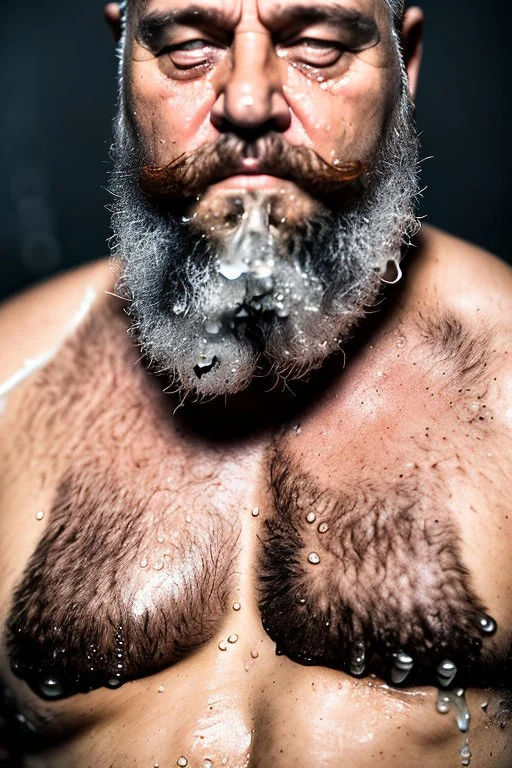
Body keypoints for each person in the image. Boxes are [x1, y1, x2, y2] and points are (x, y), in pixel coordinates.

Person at [0, 0, 510, 765]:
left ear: (406, 65)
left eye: (316, 46)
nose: (245, 102)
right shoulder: (11, 384)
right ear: (121, 60)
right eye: (187, 48)